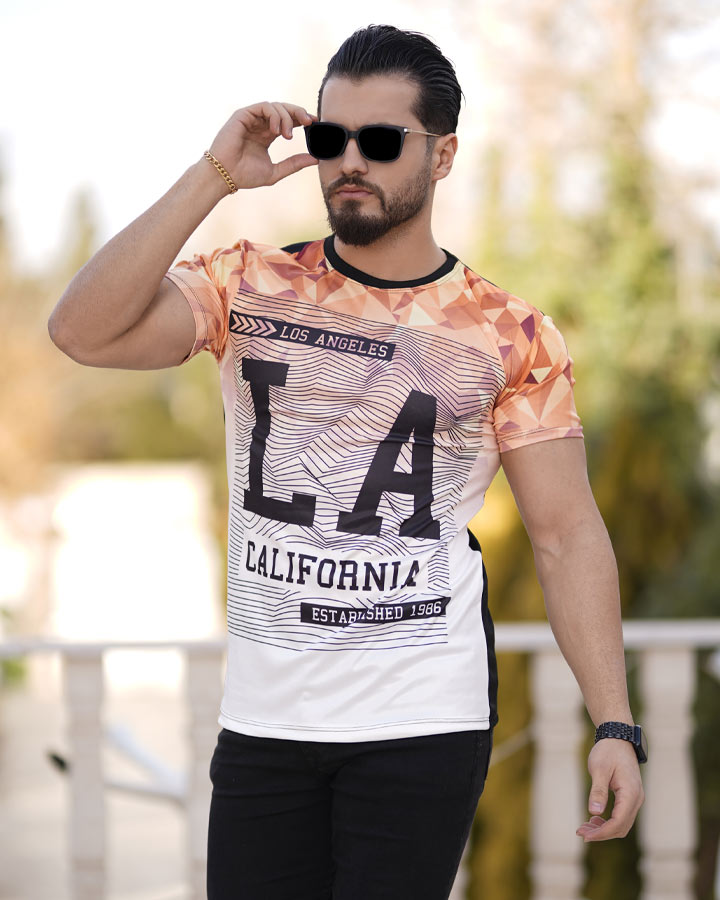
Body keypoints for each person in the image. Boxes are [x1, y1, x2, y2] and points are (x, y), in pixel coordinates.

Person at [49, 23, 645, 900]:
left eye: (381, 140)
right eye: (331, 137)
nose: (350, 161)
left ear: (443, 155)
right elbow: (81, 332)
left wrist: (616, 724)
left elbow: (565, 534)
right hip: (265, 719)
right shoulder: (246, 283)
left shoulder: (511, 333)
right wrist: (213, 177)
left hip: (422, 716)